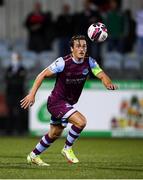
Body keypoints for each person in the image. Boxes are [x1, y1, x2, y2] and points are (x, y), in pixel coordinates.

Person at [20, 35, 117, 166]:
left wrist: (107, 83)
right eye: (78, 46)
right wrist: (32, 94)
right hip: (56, 102)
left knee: (54, 134)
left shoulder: (90, 62)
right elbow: (42, 75)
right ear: (72, 49)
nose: (82, 49)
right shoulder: (62, 62)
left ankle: (33, 155)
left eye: (84, 46)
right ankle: (67, 148)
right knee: (81, 122)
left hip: (67, 103)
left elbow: (102, 75)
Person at [5, 52, 27, 135]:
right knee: (10, 112)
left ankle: (20, 130)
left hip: (19, 94)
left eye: (17, 58)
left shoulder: (22, 69)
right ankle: (9, 131)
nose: (16, 60)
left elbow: (20, 80)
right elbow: (7, 80)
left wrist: (13, 78)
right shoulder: (9, 68)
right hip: (10, 94)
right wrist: (15, 79)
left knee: (20, 112)